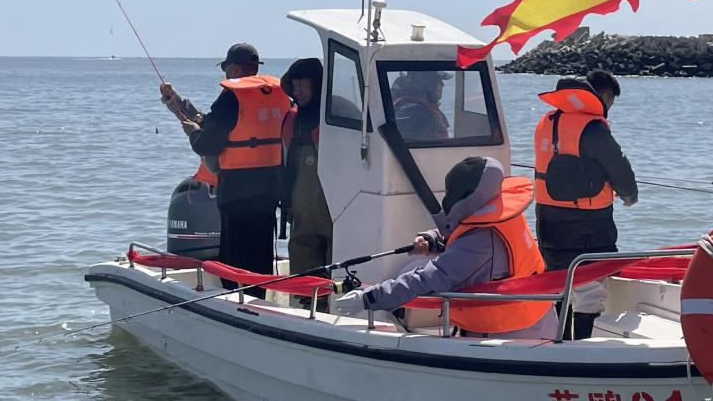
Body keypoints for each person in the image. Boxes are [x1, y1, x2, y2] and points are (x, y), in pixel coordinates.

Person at [332, 157, 556, 339]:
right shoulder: (501, 214)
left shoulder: (479, 242)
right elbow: (466, 236)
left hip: (510, 334)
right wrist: (432, 239)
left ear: (467, 197)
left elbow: (428, 280)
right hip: (538, 317)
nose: (447, 199)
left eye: (451, 194)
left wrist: (369, 298)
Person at [159, 43, 289, 289]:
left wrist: (194, 134)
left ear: (234, 68)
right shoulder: (276, 93)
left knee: (235, 260)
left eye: (225, 68)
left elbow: (208, 143)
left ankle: (236, 303)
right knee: (260, 255)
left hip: (237, 193)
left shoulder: (232, 96)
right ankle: (258, 301)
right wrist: (176, 102)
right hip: (270, 190)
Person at [532, 69, 638, 340]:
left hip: (547, 218)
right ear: (603, 96)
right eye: (610, 102)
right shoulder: (592, 127)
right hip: (589, 224)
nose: (609, 109)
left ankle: (554, 340)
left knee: (557, 281)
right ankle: (581, 345)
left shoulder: (548, 120)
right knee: (590, 286)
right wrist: (629, 195)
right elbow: (618, 166)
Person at [281, 57, 332, 276]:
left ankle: (334, 301)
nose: (297, 91)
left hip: (333, 205)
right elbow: (283, 162)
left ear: (317, 84)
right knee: (302, 253)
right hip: (300, 206)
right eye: (294, 85)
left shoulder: (336, 113)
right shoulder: (291, 118)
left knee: (336, 257)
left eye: (302, 85)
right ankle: (304, 303)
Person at [390, 70, 450, 141]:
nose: (443, 85)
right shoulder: (413, 112)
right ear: (429, 83)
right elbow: (421, 148)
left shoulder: (421, 109)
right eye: (439, 80)